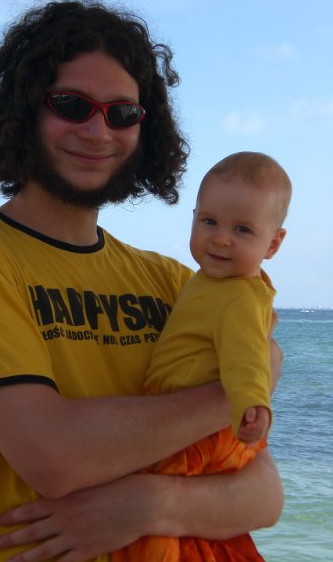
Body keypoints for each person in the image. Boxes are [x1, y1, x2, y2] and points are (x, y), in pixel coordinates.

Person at [0, 0, 284, 562]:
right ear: (25, 109)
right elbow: (53, 456)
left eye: (122, 113)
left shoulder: (178, 282)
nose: (99, 131)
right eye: (72, 105)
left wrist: (150, 504)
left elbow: (265, 492)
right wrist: (245, 385)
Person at [112, 151, 291, 562]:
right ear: (193, 219)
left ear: (273, 243)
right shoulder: (209, 282)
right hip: (195, 424)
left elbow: (247, 355)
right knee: (197, 534)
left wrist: (252, 402)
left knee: (150, 529)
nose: (221, 238)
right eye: (209, 222)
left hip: (200, 433)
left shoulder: (239, 297)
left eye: (242, 229)